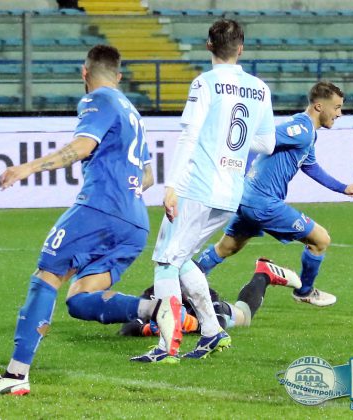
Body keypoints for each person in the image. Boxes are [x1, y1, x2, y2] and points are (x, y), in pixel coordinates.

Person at [0, 45, 156, 396]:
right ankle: (157, 310)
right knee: (80, 299)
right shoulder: (132, 111)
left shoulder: (97, 99)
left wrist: (27, 168)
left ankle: (15, 376)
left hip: (100, 209)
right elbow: (148, 176)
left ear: (84, 73)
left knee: (47, 275)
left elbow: (82, 147)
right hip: (135, 221)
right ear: (119, 76)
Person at [130, 19, 276, 364]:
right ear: (241, 48)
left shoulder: (205, 83)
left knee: (165, 260)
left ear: (209, 45)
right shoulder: (260, 88)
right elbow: (267, 144)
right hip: (230, 191)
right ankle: (212, 331)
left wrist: (172, 185)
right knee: (181, 260)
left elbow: (190, 135)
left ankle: (167, 346)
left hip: (197, 186)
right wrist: (231, 146)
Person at [196, 81, 353, 307]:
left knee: (227, 247)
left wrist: (342, 187)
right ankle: (304, 291)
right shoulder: (302, 130)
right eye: (337, 107)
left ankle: (188, 279)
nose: (339, 114)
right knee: (320, 240)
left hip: (247, 198)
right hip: (263, 202)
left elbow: (310, 166)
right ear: (319, 106)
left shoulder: (306, 132)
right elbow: (265, 138)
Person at [119, 258, 301, 337]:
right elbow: (127, 327)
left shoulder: (205, 294)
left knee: (244, 316)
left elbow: (218, 325)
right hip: (193, 316)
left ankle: (263, 274)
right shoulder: (155, 294)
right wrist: (147, 330)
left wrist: (191, 324)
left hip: (219, 313)